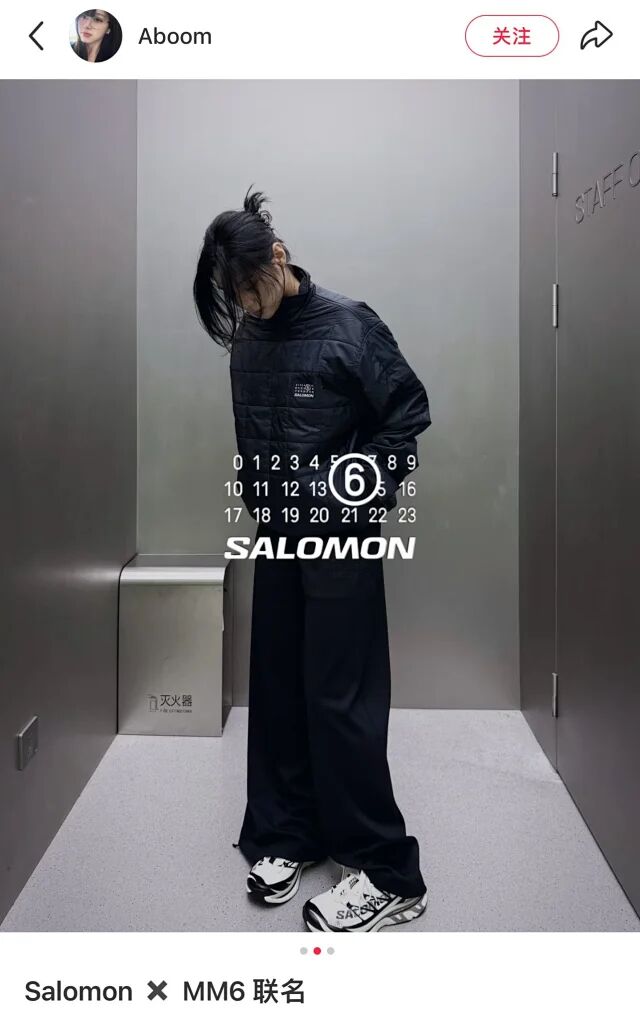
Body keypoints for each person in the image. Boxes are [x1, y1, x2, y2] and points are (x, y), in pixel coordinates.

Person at [193, 186, 432, 932]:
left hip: (339, 539)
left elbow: (408, 416)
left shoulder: (349, 324)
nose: (246, 305)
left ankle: (387, 872)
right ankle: (287, 833)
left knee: (339, 697)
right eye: (234, 296)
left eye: (251, 288)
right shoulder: (247, 333)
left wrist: (352, 497)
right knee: (278, 686)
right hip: (278, 536)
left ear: (279, 256)